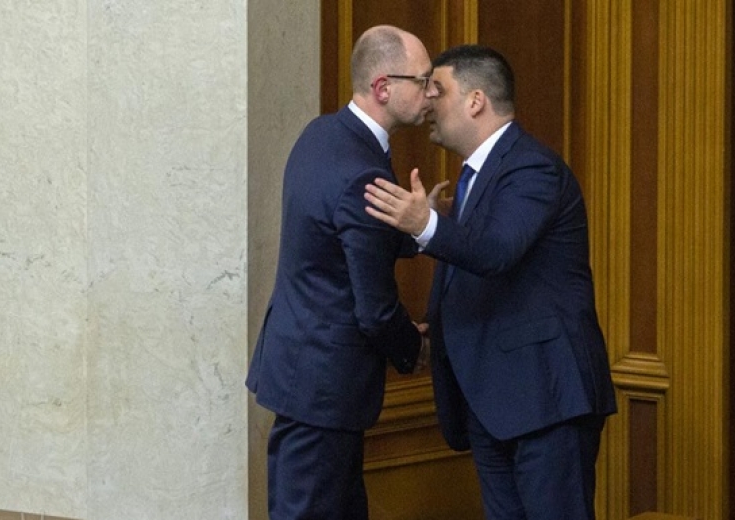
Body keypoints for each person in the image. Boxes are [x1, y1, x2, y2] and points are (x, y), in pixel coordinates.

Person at [364, 44, 617, 520]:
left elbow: (497, 252)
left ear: (476, 100)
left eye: (438, 90)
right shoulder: (474, 178)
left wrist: (425, 224)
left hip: (545, 400)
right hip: (493, 403)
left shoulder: (531, 167)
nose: (427, 101)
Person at [246, 25, 433, 520]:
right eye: (422, 80)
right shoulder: (361, 171)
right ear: (383, 87)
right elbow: (375, 309)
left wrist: (419, 226)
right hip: (325, 388)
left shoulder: (322, 134)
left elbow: (340, 234)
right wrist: (412, 349)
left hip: (304, 373)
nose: (431, 93)